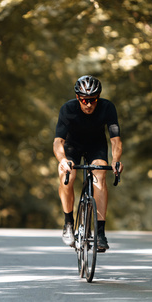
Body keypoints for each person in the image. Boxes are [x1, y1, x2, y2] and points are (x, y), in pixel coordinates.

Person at [53, 75, 123, 251]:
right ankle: (69, 223)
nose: (89, 104)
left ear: (98, 98)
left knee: (99, 176)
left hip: (96, 145)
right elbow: (58, 141)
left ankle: (100, 233)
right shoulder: (68, 109)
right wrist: (62, 160)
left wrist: (115, 161)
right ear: (78, 98)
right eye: (84, 100)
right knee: (66, 175)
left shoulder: (107, 107)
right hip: (72, 146)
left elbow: (115, 140)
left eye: (93, 100)